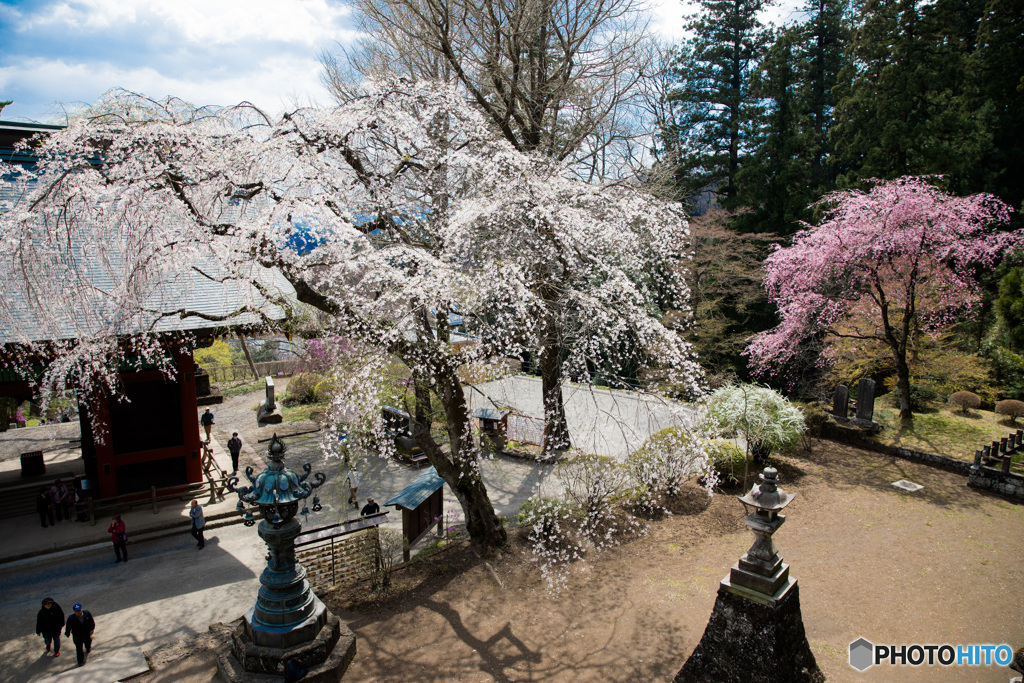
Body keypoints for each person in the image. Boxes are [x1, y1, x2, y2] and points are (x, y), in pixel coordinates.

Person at [64, 603, 95, 667]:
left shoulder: (87, 614)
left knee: (88, 642)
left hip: (86, 633)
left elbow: (92, 622)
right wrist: (67, 633)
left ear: (81, 609)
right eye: (76, 611)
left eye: (79, 610)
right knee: (79, 649)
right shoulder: (71, 618)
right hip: (77, 635)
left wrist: (92, 629)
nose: (78, 612)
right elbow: (68, 626)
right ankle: (80, 661)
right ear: (74, 612)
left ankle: (88, 647)